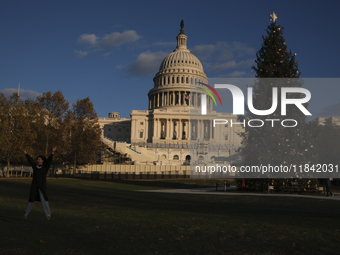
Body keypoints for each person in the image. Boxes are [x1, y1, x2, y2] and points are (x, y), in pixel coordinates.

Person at [23, 146, 57, 220]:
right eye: (37, 159)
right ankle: (26, 213)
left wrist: (52, 153)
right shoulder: (35, 167)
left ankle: (48, 213)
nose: (38, 160)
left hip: (42, 186)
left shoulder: (45, 167)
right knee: (31, 199)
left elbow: (49, 161)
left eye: (39, 159)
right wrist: (26, 153)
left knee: (43, 199)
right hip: (34, 186)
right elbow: (30, 160)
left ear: (42, 161)